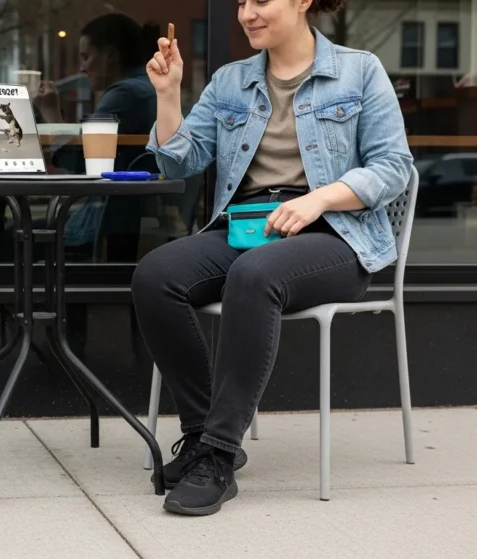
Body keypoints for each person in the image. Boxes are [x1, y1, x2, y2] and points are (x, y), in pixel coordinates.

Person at [132, 0, 412, 516]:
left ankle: (218, 453)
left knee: (254, 275)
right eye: (240, 2)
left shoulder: (359, 70)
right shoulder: (231, 81)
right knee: (155, 275)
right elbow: (182, 159)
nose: (246, 13)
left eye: (260, 0)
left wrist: (318, 199)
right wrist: (168, 95)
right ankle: (200, 435)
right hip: (247, 229)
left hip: (335, 236)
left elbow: (393, 167)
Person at [0, 13, 161, 263]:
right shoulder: (150, 87)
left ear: (110, 56)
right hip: (134, 218)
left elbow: (83, 161)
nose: (82, 68)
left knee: (13, 235)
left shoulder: (125, 93)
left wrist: (50, 112)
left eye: (86, 57)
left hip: (110, 224)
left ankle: (38, 302)